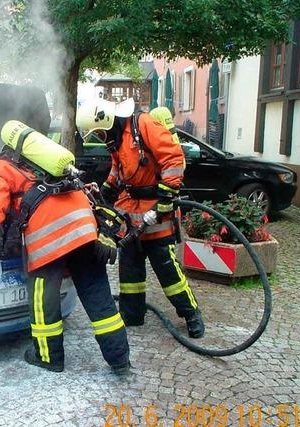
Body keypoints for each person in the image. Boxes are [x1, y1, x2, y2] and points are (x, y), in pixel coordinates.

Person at [0, 143, 131, 374]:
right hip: (84, 227)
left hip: (50, 235)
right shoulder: (33, 163)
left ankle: (48, 356)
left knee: (43, 298)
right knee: (97, 294)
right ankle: (119, 358)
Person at [76, 98, 205, 339]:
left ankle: (191, 314)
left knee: (167, 270)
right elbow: (119, 169)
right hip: (130, 212)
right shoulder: (117, 140)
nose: (101, 139)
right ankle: (132, 314)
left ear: (106, 122)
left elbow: (174, 159)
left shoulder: (143, 124)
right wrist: (107, 191)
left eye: (99, 134)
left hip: (156, 211)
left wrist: (166, 197)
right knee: (130, 271)